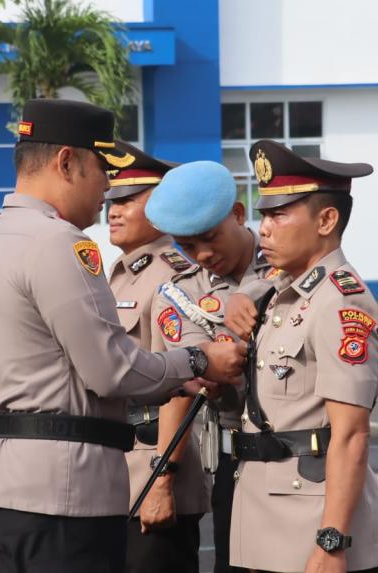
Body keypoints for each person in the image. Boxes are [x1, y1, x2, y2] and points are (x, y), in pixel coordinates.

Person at [0, 99, 248, 573]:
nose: (106, 190)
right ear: (66, 162)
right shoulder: (58, 242)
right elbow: (111, 369)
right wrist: (196, 362)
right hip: (62, 490)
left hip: (4, 481)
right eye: (101, 171)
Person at [222, 140, 378, 572]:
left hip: (312, 527)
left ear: (326, 220)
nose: (265, 228)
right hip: (264, 518)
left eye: (280, 214)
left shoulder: (341, 302)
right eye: (264, 214)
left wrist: (332, 540)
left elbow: (352, 434)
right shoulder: (283, 291)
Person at [143, 160, 270, 573]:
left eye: (210, 238)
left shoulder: (290, 264)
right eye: (186, 245)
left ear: (238, 213)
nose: (203, 254)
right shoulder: (179, 296)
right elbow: (201, 374)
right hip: (239, 462)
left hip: (309, 459)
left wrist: (251, 290)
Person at [106, 142, 209, 573]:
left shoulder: (172, 277)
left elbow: (185, 382)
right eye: (111, 199)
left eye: (128, 200)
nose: (113, 210)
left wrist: (161, 480)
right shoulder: (122, 272)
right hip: (118, 472)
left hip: (152, 470)